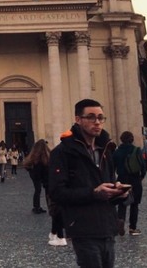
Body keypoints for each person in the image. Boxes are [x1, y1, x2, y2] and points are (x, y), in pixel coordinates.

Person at [49, 99, 127, 267]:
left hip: (107, 227)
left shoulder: (106, 150)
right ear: (78, 119)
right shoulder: (62, 152)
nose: (97, 122)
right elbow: (57, 193)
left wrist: (119, 193)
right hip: (83, 228)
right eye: (91, 117)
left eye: (100, 117)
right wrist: (93, 193)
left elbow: (108, 185)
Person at [113, 131, 145, 237]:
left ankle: (121, 220)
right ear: (132, 139)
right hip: (135, 179)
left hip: (122, 179)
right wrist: (141, 176)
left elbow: (113, 167)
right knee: (134, 204)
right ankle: (132, 228)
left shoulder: (116, 152)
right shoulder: (136, 150)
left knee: (122, 202)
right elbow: (143, 165)